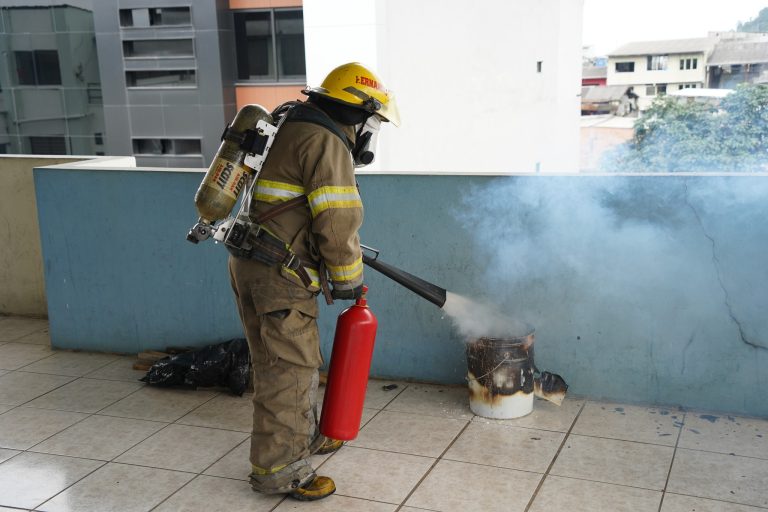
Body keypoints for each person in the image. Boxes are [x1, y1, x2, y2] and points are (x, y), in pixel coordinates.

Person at [228, 62, 399, 501]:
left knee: (282, 362)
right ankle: (279, 470)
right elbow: (337, 220)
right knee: (289, 368)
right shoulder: (325, 142)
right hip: (279, 275)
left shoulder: (290, 123)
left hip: (251, 263)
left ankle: (300, 439)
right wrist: (349, 280)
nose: (368, 133)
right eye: (370, 122)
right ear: (354, 113)